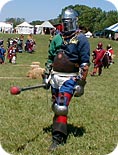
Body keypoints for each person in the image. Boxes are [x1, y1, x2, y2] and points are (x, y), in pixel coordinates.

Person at [43, 8, 90, 151]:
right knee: (55, 105)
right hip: (55, 77)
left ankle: (58, 138)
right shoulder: (58, 37)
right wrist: (46, 75)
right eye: (64, 22)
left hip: (69, 78)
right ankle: (57, 127)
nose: (66, 25)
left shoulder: (81, 39)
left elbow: (84, 63)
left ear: (75, 22)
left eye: (68, 22)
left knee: (62, 106)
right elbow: (51, 57)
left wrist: (81, 83)